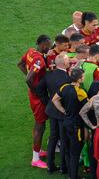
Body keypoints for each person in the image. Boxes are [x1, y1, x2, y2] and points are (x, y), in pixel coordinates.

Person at [18, 34, 52, 169]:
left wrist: (29, 77)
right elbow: (28, 79)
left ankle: (37, 150)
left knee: (39, 123)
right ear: (43, 45)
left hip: (33, 94)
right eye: (48, 45)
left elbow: (20, 64)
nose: (49, 48)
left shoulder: (30, 51)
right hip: (37, 97)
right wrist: (36, 91)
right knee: (40, 125)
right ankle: (35, 159)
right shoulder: (39, 60)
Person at [36, 53, 71, 174]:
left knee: (53, 137)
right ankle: (63, 167)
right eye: (68, 61)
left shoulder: (48, 74)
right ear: (65, 64)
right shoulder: (67, 78)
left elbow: (39, 89)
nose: (69, 62)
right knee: (63, 139)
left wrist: (48, 101)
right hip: (62, 112)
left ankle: (50, 165)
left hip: (51, 110)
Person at [52, 68, 88, 179]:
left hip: (65, 122)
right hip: (75, 126)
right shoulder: (80, 92)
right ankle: (73, 176)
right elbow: (88, 108)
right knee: (75, 153)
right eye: (83, 76)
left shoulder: (64, 87)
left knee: (67, 149)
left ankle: (69, 173)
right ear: (80, 79)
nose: (84, 77)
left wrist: (63, 110)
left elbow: (55, 100)